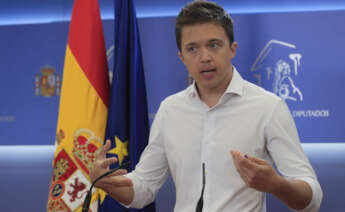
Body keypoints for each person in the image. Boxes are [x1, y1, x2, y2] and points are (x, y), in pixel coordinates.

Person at [90, 1, 323, 211]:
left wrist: (276, 185)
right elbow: (142, 189)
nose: (204, 57)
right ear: (181, 57)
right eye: (193, 49)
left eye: (214, 45)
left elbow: (312, 197)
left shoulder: (268, 107)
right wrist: (108, 183)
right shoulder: (170, 110)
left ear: (232, 49)